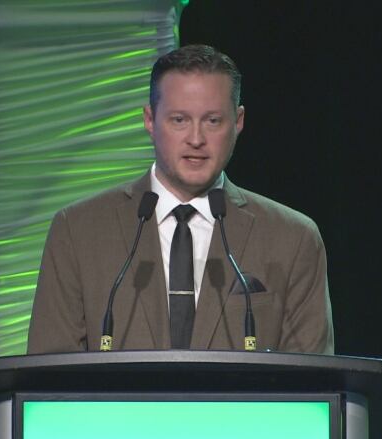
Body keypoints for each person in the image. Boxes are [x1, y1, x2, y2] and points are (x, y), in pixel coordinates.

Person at [27, 44, 334, 354]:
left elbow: (313, 385)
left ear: (238, 121)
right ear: (149, 120)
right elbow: (47, 378)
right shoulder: (78, 230)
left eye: (213, 120)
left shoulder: (293, 238)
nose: (196, 139)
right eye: (179, 120)